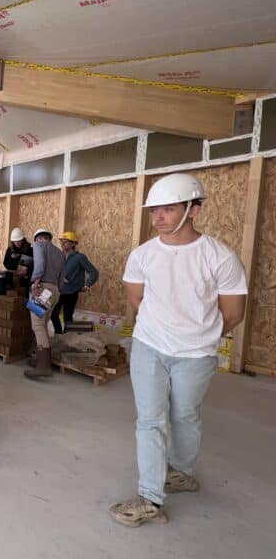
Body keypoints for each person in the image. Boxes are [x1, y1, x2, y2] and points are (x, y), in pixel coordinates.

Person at [109, 173, 247, 527]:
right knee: (150, 420)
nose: (158, 217)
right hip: (149, 348)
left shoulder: (220, 257)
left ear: (194, 209)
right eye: (155, 210)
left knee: (186, 416)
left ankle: (182, 472)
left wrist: (196, 333)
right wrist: (163, 327)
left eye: (168, 209)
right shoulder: (142, 255)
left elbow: (233, 312)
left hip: (197, 355)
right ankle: (150, 498)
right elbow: (137, 299)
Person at [23, 228, 65, 380]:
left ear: (38, 239)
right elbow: (62, 276)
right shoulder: (60, 253)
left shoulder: (40, 246)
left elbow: (40, 264)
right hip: (55, 290)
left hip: (42, 288)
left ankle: (43, 366)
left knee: (37, 326)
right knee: (44, 324)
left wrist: (35, 281)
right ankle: (42, 360)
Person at [51, 231, 99, 334]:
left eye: (66, 241)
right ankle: (59, 335)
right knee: (53, 315)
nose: (63, 244)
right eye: (62, 241)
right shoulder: (59, 256)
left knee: (68, 318)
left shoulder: (80, 257)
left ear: (73, 243)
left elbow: (93, 272)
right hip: (58, 291)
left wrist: (87, 285)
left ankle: (68, 339)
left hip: (71, 293)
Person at [3, 227, 34, 294]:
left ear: (23, 239)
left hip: (26, 278)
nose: (17, 243)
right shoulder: (10, 250)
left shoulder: (29, 249)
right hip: (13, 276)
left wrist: (26, 271)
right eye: (15, 241)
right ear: (12, 241)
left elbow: (33, 264)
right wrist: (14, 270)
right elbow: (5, 263)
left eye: (19, 241)